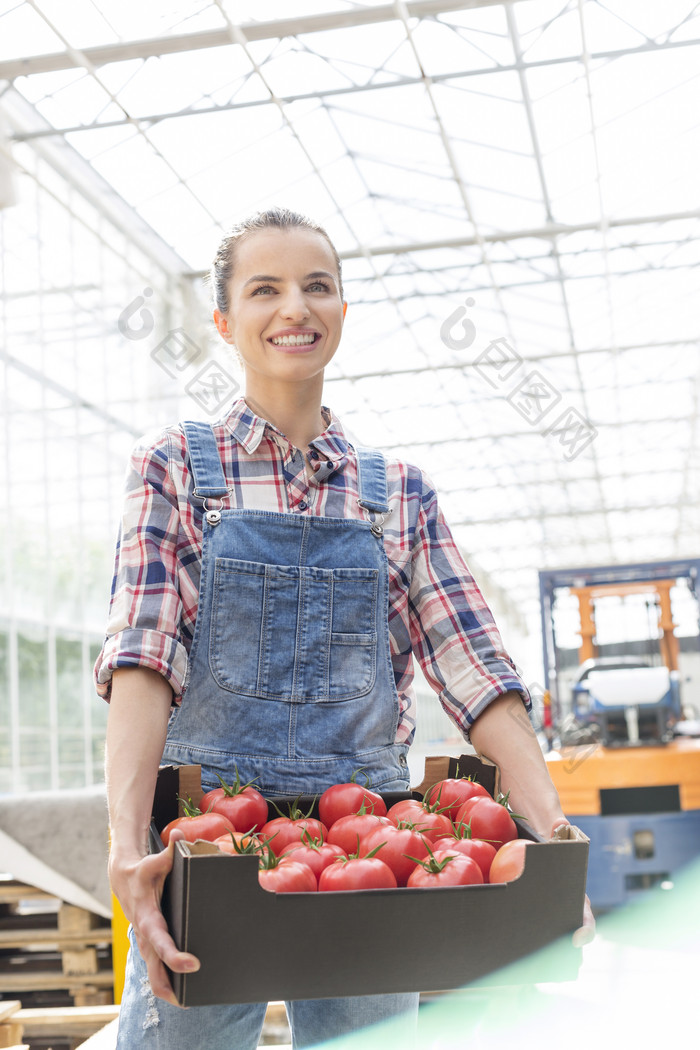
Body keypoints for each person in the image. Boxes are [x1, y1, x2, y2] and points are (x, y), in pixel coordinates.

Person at [97, 207, 593, 1049]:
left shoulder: (397, 493)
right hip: (207, 845)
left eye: (317, 286)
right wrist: (123, 843)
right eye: (266, 289)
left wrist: (549, 831)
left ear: (342, 313)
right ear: (224, 321)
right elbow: (143, 660)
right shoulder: (177, 468)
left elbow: (475, 669)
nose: (295, 307)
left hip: (372, 841)